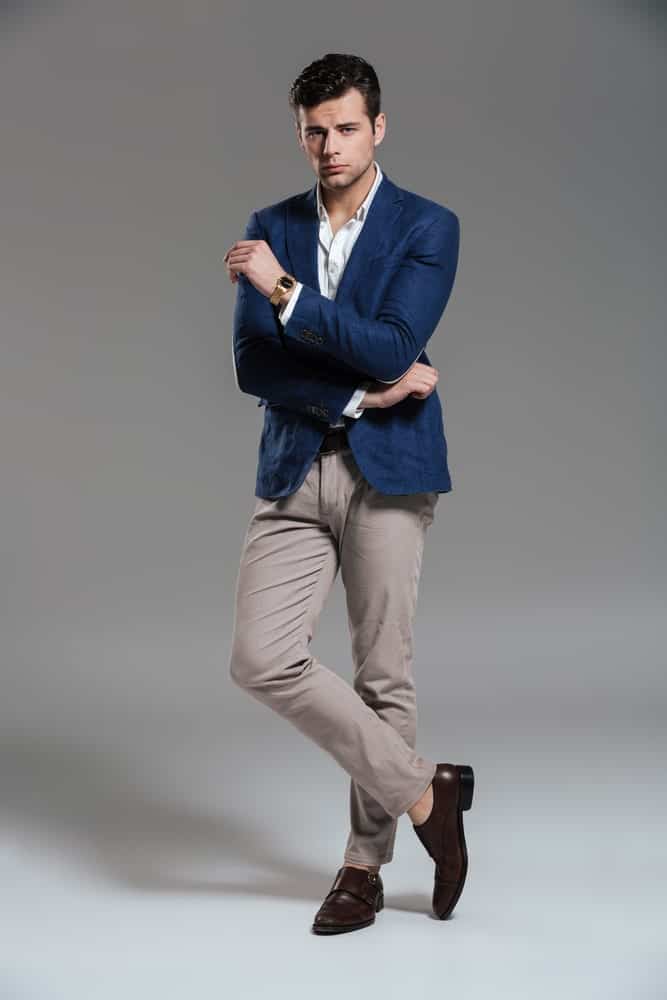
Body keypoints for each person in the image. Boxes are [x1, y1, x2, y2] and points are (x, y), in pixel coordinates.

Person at [224, 52, 474, 935]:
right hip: (297, 463)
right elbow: (253, 363)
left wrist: (283, 292)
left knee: (381, 676)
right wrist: (361, 391)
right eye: (313, 132)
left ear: (377, 129)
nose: (328, 146)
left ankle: (362, 870)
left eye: (344, 128)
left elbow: (392, 338)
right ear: (299, 133)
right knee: (261, 657)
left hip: (390, 472)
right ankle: (424, 791)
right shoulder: (272, 221)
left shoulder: (426, 226)